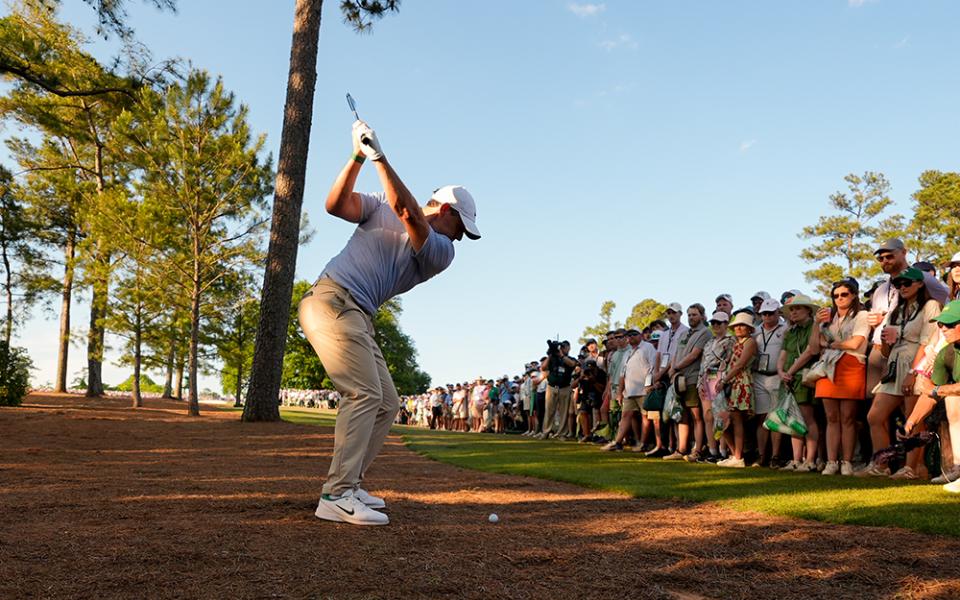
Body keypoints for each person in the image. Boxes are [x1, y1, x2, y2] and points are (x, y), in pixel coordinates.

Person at [301, 120, 480, 525]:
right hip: (331, 300)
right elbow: (335, 205)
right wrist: (356, 157)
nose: (459, 239)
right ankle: (337, 494)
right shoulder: (383, 202)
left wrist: (378, 156)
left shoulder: (441, 251)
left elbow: (408, 212)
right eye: (460, 229)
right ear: (447, 211)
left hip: (356, 314)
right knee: (364, 393)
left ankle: (350, 484)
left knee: (386, 402)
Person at [860, 268, 940, 479]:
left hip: (917, 365)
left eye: (907, 283)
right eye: (898, 284)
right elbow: (886, 351)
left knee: (913, 418)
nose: (902, 287)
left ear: (920, 284)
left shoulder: (930, 306)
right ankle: (882, 465)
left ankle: (911, 468)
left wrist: (913, 373)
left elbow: (927, 342)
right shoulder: (896, 310)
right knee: (874, 416)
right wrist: (886, 341)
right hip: (894, 365)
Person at [900, 300, 960, 493]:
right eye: (941, 324)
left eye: (950, 324)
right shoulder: (946, 352)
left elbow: (936, 390)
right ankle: (959, 468)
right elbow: (930, 393)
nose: (943, 329)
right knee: (954, 401)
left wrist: (939, 390)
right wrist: (911, 422)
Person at [815, 278, 870, 476]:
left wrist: (830, 344)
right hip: (828, 367)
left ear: (854, 295)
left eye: (844, 294)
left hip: (852, 365)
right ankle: (832, 462)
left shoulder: (862, 315)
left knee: (848, 417)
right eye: (836, 295)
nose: (839, 298)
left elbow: (855, 343)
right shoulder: (828, 318)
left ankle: (846, 461)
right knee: (831, 418)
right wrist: (816, 324)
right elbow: (815, 346)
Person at [777, 294, 821, 473]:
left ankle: (810, 460)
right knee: (793, 419)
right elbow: (783, 354)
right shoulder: (790, 331)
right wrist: (781, 372)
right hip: (789, 378)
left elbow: (811, 351)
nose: (793, 312)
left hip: (804, 376)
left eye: (797, 308)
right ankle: (796, 460)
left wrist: (790, 371)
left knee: (807, 418)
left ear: (808, 310)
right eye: (791, 309)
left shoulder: (814, 327)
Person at [665, 304, 712, 461]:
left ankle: (698, 450)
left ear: (702, 316)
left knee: (696, 416)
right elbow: (675, 354)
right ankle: (681, 449)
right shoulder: (684, 333)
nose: (691, 317)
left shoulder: (705, 332)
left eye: (694, 314)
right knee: (682, 415)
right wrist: (673, 370)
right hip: (678, 379)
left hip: (692, 378)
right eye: (689, 315)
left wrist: (676, 368)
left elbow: (694, 355)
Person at [716, 312, 758, 467]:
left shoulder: (750, 342)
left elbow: (740, 364)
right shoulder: (736, 342)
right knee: (725, 419)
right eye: (736, 325)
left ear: (749, 328)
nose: (739, 328)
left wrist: (724, 380)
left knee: (736, 419)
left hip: (741, 381)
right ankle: (735, 454)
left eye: (743, 325)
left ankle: (739, 456)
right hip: (731, 381)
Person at [604, 329, 656, 451]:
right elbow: (622, 374)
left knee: (645, 417)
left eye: (634, 334)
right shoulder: (628, 352)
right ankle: (618, 442)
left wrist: (649, 385)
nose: (631, 337)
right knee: (625, 416)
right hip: (629, 391)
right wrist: (620, 392)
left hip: (644, 390)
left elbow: (653, 367)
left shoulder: (647, 347)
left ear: (640, 335)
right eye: (629, 335)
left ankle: (643, 443)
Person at [753, 298, 788, 467]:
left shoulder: (785, 328)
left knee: (775, 417)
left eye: (770, 313)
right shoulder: (755, 330)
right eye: (764, 313)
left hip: (777, 376)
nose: (767, 316)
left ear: (778, 312)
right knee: (762, 417)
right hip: (759, 376)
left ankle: (775, 456)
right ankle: (762, 455)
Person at [698, 311, 733, 463]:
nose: (715, 326)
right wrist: (700, 382)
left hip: (720, 379)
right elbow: (703, 364)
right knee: (708, 416)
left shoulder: (731, 341)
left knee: (721, 416)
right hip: (706, 379)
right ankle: (712, 450)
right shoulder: (709, 342)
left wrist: (723, 379)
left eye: (719, 323)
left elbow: (730, 362)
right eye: (713, 323)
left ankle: (723, 450)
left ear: (726, 324)